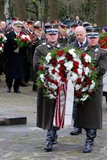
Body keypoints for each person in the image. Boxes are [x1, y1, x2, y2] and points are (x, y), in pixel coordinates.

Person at [74, 26, 107, 153]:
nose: (92, 40)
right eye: (90, 38)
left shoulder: (103, 52)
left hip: (95, 87)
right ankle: (86, 133)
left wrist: (86, 74)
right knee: (82, 113)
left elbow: (101, 70)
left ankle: (90, 139)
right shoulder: (81, 51)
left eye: (94, 38)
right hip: (81, 86)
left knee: (93, 114)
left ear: (98, 39)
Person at [33, 23, 64, 152]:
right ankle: (50, 135)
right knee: (48, 111)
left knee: (57, 111)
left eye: (54, 34)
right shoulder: (40, 49)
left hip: (60, 86)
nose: (52, 37)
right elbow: (36, 66)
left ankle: (51, 136)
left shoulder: (64, 49)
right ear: (46, 36)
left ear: (58, 36)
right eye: (50, 34)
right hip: (46, 85)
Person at [69, 26, 88, 136]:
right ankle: (77, 125)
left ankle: (87, 124)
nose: (79, 37)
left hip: (87, 79)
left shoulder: (90, 46)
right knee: (75, 103)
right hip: (75, 79)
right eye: (77, 35)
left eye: (81, 34)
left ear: (85, 34)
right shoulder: (71, 47)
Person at [4, 21, 27, 93]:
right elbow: (6, 48)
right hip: (11, 57)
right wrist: (6, 58)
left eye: (20, 27)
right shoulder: (9, 35)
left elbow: (26, 47)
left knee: (19, 73)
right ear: (13, 27)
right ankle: (9, 86)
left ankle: (16, 88)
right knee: (10, 73)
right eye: (17, 27)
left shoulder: (24, 36)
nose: (19, 28)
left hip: (20, 57)